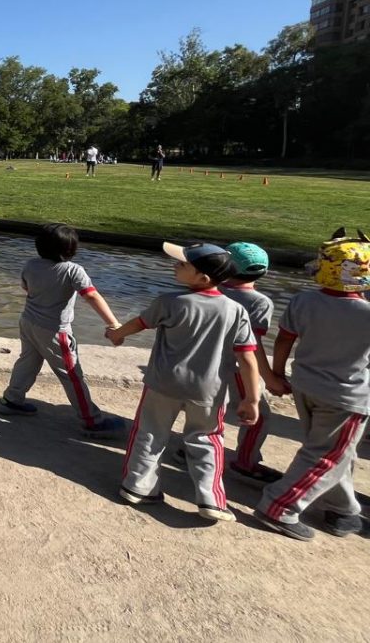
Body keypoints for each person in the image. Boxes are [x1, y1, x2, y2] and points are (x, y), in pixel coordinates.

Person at [106, 242, 259, 522]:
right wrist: (252, 398)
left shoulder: (169, 302)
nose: (175, 265)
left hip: (163, 383)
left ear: (203, 277)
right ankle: (211, 499)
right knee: (208, 440)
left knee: (150, 432)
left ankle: (138, 487)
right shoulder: (236, 311)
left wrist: (117, 335)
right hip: (209, 391)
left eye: (182, 264)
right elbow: (248, 358)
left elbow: (139, 323)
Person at [255, 230, 370, 541]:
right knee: (327, 455)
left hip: (305, 385)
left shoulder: (303, 300)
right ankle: (279, 506)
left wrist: (276, 374)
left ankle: (343, 509)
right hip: (345, 395)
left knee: (330, 450)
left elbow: (283, 340)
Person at [0, 223, 127, 438]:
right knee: (72, 376)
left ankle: (11, 400)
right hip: (55, 331)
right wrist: (114, 324)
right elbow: (92, 296)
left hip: (28, 322)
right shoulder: (73, 270)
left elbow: (26, 288)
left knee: (27, 362)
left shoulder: (30, 265)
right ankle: (92, 421)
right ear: (70, 250)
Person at [220, 242, 280, 483]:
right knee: (258, 416)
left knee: (212, 407)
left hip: (211, 364)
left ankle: (186, 449)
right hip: (238, 367)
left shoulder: (212, 288)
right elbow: (252, 346)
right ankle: (245, 462)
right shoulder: (259, 302)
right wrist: (269, 377)